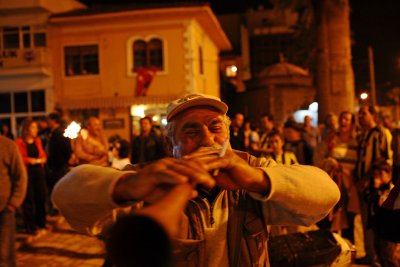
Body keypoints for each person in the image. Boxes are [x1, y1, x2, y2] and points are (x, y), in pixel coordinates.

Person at [53, 93, 340, 267]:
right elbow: (66, 193)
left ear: (228, 136)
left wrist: (256, 179)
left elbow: (327, 193)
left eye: (215, 128)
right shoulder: (152, 177)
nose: (207, 139)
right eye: (191, 132)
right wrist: (129, 185)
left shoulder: (250, 170)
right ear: (170, 146)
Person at [355, 105, 392, 265]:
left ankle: (377, 256)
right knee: (366, 221)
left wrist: (366, 179)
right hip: (365, 185)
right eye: (359, 114)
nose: (360, 116)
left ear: (373, 115)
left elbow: (381, 160)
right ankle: (370, 255)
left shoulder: (379, 133)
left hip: (374, 186)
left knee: (374, 220)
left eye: (364, 114)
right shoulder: (364, 135)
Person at [15, 119, 48, 235]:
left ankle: (41, 222)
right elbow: (19, 158)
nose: (36, 130)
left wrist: (42, 159)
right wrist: (29, 161)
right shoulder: (19, 142)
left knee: (41, 196)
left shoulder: (37, 141)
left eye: (36, 127)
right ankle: (30, 226)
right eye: (33, 127)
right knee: (29, 199)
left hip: (38, 171)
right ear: (26, 129)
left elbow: (42, 154)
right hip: (27, 171)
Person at [0, 136, 27, 267]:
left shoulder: (7, 145)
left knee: (4, 254)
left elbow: (20, 176)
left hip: (4, 208)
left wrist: (14, 202)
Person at [369, 161, 399, 267]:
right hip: (381, 226)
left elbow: (382, 205)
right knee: (382, 255)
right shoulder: (377, 189)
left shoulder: (391, 189)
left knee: (388, 257)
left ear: (389, 173)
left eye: (380, 174)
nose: (378, 178)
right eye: (376, 175)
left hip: (389, 227)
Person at [46, 112, 72, 215]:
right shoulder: (52, 132)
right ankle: (55, 208)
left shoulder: (60, 133)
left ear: (53, 121)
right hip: (55, 165)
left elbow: (67, 149)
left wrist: (64, 161)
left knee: (58, 187)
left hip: (59, 165)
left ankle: (59, 208)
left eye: (49, 120)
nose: (47, 122)